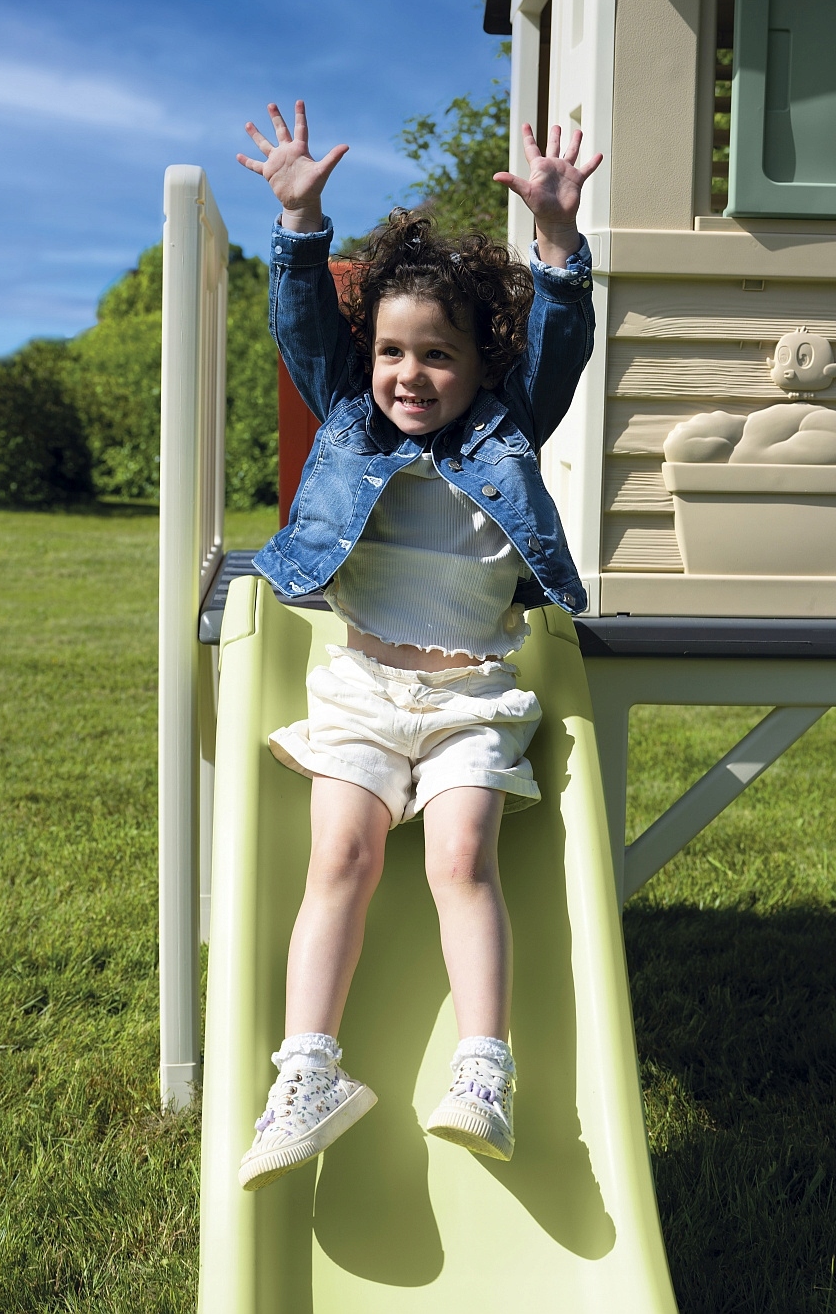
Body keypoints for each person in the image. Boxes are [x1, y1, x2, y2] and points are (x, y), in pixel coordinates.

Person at [234, 100, 601, 1192]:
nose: (409, 375)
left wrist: (556, 238)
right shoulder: (348, 416)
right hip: (361, 691)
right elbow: (305, 325)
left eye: (438, 356)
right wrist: (300, 221)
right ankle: (307, 1075)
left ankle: (484, 1071)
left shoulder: (506, 423)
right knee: (338, 862)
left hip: (471, 700)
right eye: (392, 351)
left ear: (482, 365)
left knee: (459, 862)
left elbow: (561, 341)